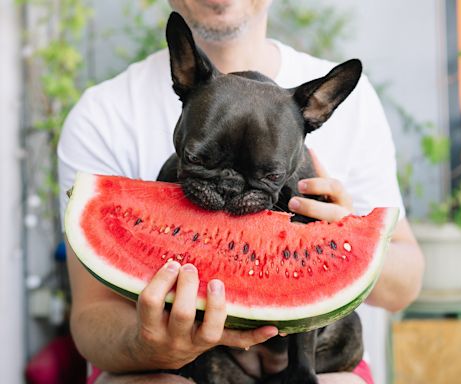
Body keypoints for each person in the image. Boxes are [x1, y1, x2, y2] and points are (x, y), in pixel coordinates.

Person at [58, 1, 424, 383]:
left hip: (312, 359)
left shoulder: (357, 105)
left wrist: (346, 241)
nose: (231, 190)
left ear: (316, 115)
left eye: (266, 175)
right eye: (200, 158)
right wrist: (151, 343)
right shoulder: (102, 113)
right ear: (181, 77)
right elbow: (91, 315)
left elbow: (405, 285)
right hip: (168, 363)